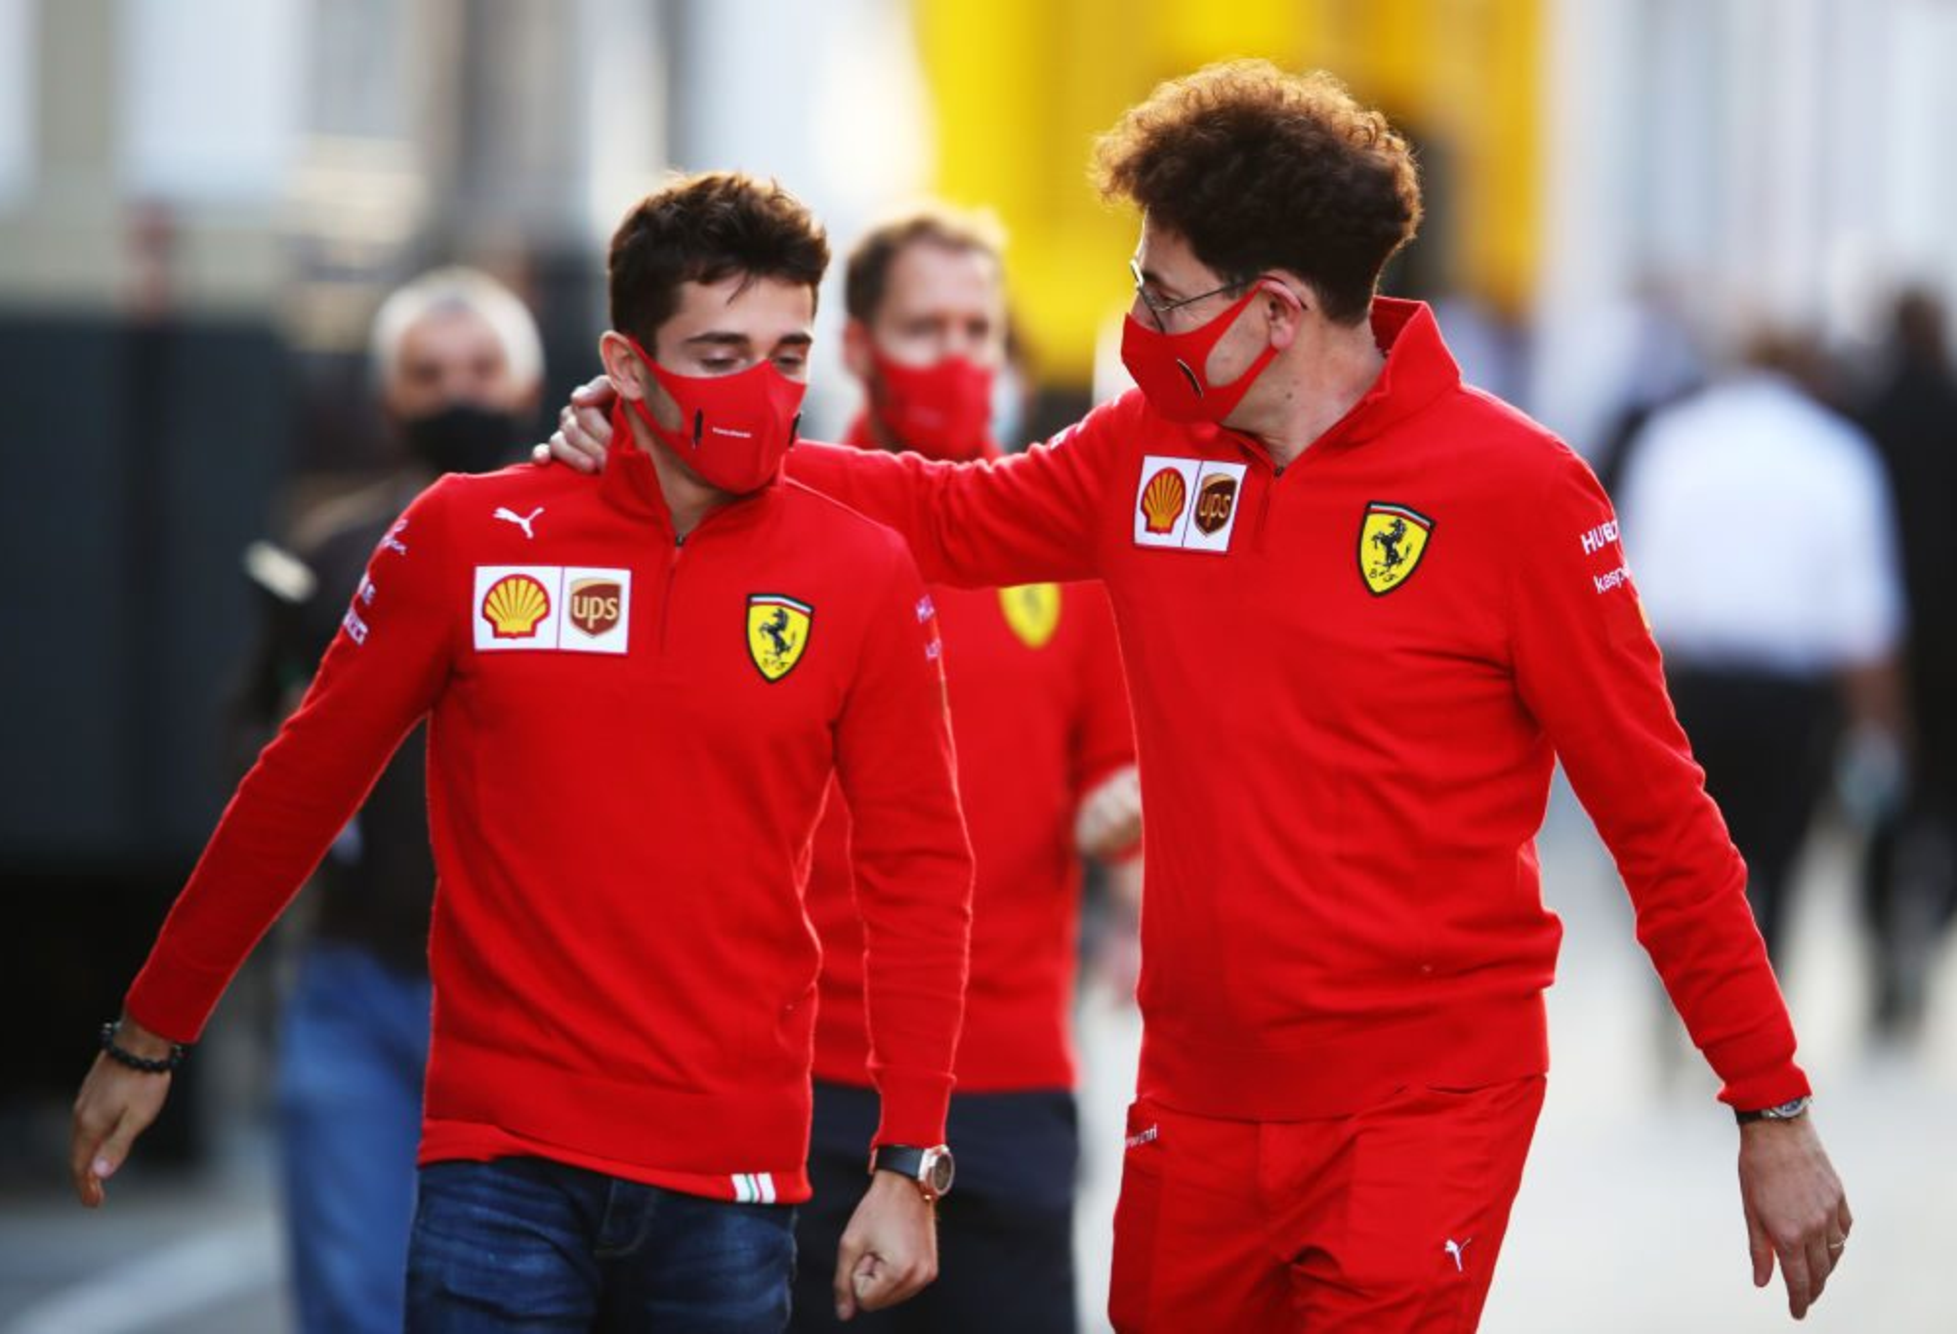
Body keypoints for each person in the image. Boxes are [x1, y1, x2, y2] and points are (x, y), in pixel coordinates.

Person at [541, 62, 1851, 1331]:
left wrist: (1769, 1104)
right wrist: (692, 432)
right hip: (1196, 1099)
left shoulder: (1520, 493)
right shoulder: (1148, 452)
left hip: (1421, 1107)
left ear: (1275, 309)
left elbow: (1658, 815)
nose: (1136, 327)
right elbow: (946, 514)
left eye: (1162, 298)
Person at [70, 171, 973, 1334]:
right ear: (628, 361)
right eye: (719, 351)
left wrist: (908, 1160)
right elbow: (299, 784)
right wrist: (149, 1032)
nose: (762, 385)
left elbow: (921, 871)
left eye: (789, 353)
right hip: (498, 1162)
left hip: (732, 1177)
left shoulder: (861, 570)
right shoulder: (465, 534)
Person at [791, 206, 1141, 1334]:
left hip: (1006, 1086)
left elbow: (1120, 806)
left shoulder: (1064, 553)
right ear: (855, 347)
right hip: (800, 1076)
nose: (956, 356)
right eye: (923, 327)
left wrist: (1121, 823)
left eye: (977, 329)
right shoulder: (778, 522)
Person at [233, 266, 544, 1334]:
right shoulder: (325, 553)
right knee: (354, 1292)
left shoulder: (601, 542)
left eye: (479, 368)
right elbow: (261, 735)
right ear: (388, 396)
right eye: (428, 372)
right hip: (360, 977)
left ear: (529, 380)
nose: (456, 390)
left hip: (529, 995)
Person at [1617, 331, 1908, 968]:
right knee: (1778, 859)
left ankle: (1682, 990)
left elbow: (1636, 586)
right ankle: (1757, 988)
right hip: (1791, 699)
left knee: (1688, 857)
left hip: (1693, 685)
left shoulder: (1676, 443)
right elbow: (1864, 617)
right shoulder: (1837, 454)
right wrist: (1878, 731)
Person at [1854, 288, 1957, 1037]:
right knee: (1945, 800)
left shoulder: (1860, 415)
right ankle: (1926, 929)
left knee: (1880, 800)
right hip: (1948, 640)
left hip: (1876, 638)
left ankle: (1883, 941)